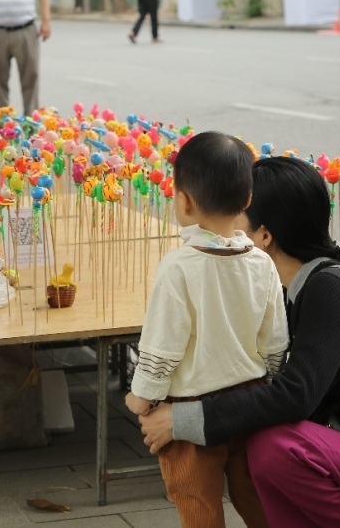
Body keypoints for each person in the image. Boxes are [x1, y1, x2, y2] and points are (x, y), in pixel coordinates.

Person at [138, 156, 340, 528]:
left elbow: (293, 396)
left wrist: (182, 420)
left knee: (275, 446)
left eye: (234, 214)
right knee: (267, 445)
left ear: (264, 235)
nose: (223, 224)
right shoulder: (296, 282)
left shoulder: (332, 288)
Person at [124, 132, 287, 528]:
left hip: (189, 410)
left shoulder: (179, 267)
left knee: (197, 503)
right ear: (248, 200)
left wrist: (141, 397)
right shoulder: (262, 263)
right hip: (249, 405)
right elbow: (276, 342)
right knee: (257, 497)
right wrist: (269, 385)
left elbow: (163, 347)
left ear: (183, 201)